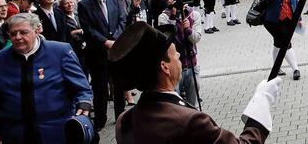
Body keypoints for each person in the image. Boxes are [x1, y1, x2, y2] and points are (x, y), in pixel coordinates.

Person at [110, 22, 281, 143]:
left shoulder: (124, 121)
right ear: (165, 67)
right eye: (175, 54)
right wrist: (261, 102)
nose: (178, 57)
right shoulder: (190, 121)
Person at [0, 12, 93, 143]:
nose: (18, 37)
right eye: (13, 34)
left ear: (36, 30)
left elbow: (81, 86)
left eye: (24, 32)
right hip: (15, 134)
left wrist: (84, 102)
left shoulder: (60, 52)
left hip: (55, 131)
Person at [77, 0, 128, 129]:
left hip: (116, 50)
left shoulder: (115, 0)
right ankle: (100, 119)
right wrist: (105, 41)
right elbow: (88, 28)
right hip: (97, 52)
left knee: (119, 85)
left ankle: (121, 118)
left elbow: (122, 20)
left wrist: (116, 40)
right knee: (100, 89)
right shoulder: (85, 4)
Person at [260, 0, 302, 80]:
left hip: (288, 17)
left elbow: (295, 0)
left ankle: (276, 68)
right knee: (285, 42)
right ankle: (295, 69)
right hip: (272, 20)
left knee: (278, 43)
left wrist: (298, 18)